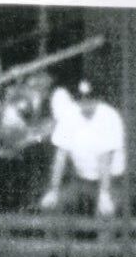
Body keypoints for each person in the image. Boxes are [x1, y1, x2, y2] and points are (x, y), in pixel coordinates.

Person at [40, 80, 127, 218]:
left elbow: (105, 158)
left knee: (105, 213)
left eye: (90, 99)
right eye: (82, 99)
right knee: (54, 205)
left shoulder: (110, 116)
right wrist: (53, 190)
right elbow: (60, 157)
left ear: (98, 99)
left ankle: (105, 239)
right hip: (81, 180)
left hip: (112, 181)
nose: (85, 104)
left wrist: (105, 195)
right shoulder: (69, 115)